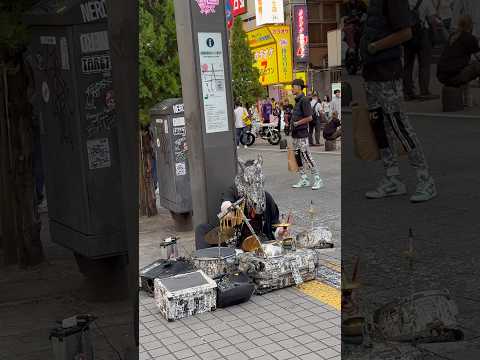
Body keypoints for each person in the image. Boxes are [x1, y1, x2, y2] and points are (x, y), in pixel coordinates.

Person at [360, 0, 436, 202]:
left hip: (388, 73)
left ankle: (425, 179)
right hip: (372, 73)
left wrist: (374, 47)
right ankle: (392, 179)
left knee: (399, 125)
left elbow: (406, 33)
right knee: (379, 127)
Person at [195, 156, 286, 250]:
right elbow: (226, 203)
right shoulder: (234, 191)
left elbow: (274, 224)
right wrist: (229, 208)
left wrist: (280, 231)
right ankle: (202, 258)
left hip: (260, 242)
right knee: (201, 229)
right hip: (237, 241)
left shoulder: (267, 197)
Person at [290, 79, 323, 190]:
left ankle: (318, 179)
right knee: (298, 157)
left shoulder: (304, 100)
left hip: (302, 134)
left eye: (293, 86)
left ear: (299, 87)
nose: (292, 88)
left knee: (307, 156)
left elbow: (309, 117)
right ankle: (304, 179)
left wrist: (297, 123)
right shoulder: (297, 100)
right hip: (295, 134)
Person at [403, 0, 437, 101]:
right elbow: (432, 20)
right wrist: (434, 36)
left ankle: (407, 92)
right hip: (422, 34)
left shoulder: (404, 2)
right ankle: (424, 91)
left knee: (408, 65)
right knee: (424, 65)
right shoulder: (426, 1)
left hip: (408, 34)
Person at [437, 15, 480, 87]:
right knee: (476, 65)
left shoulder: (453, 36)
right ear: (471, 25)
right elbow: (479, 56)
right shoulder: (470, 38)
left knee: (466, 65)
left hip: (441, 76)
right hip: (454, 76)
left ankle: (465, 94)